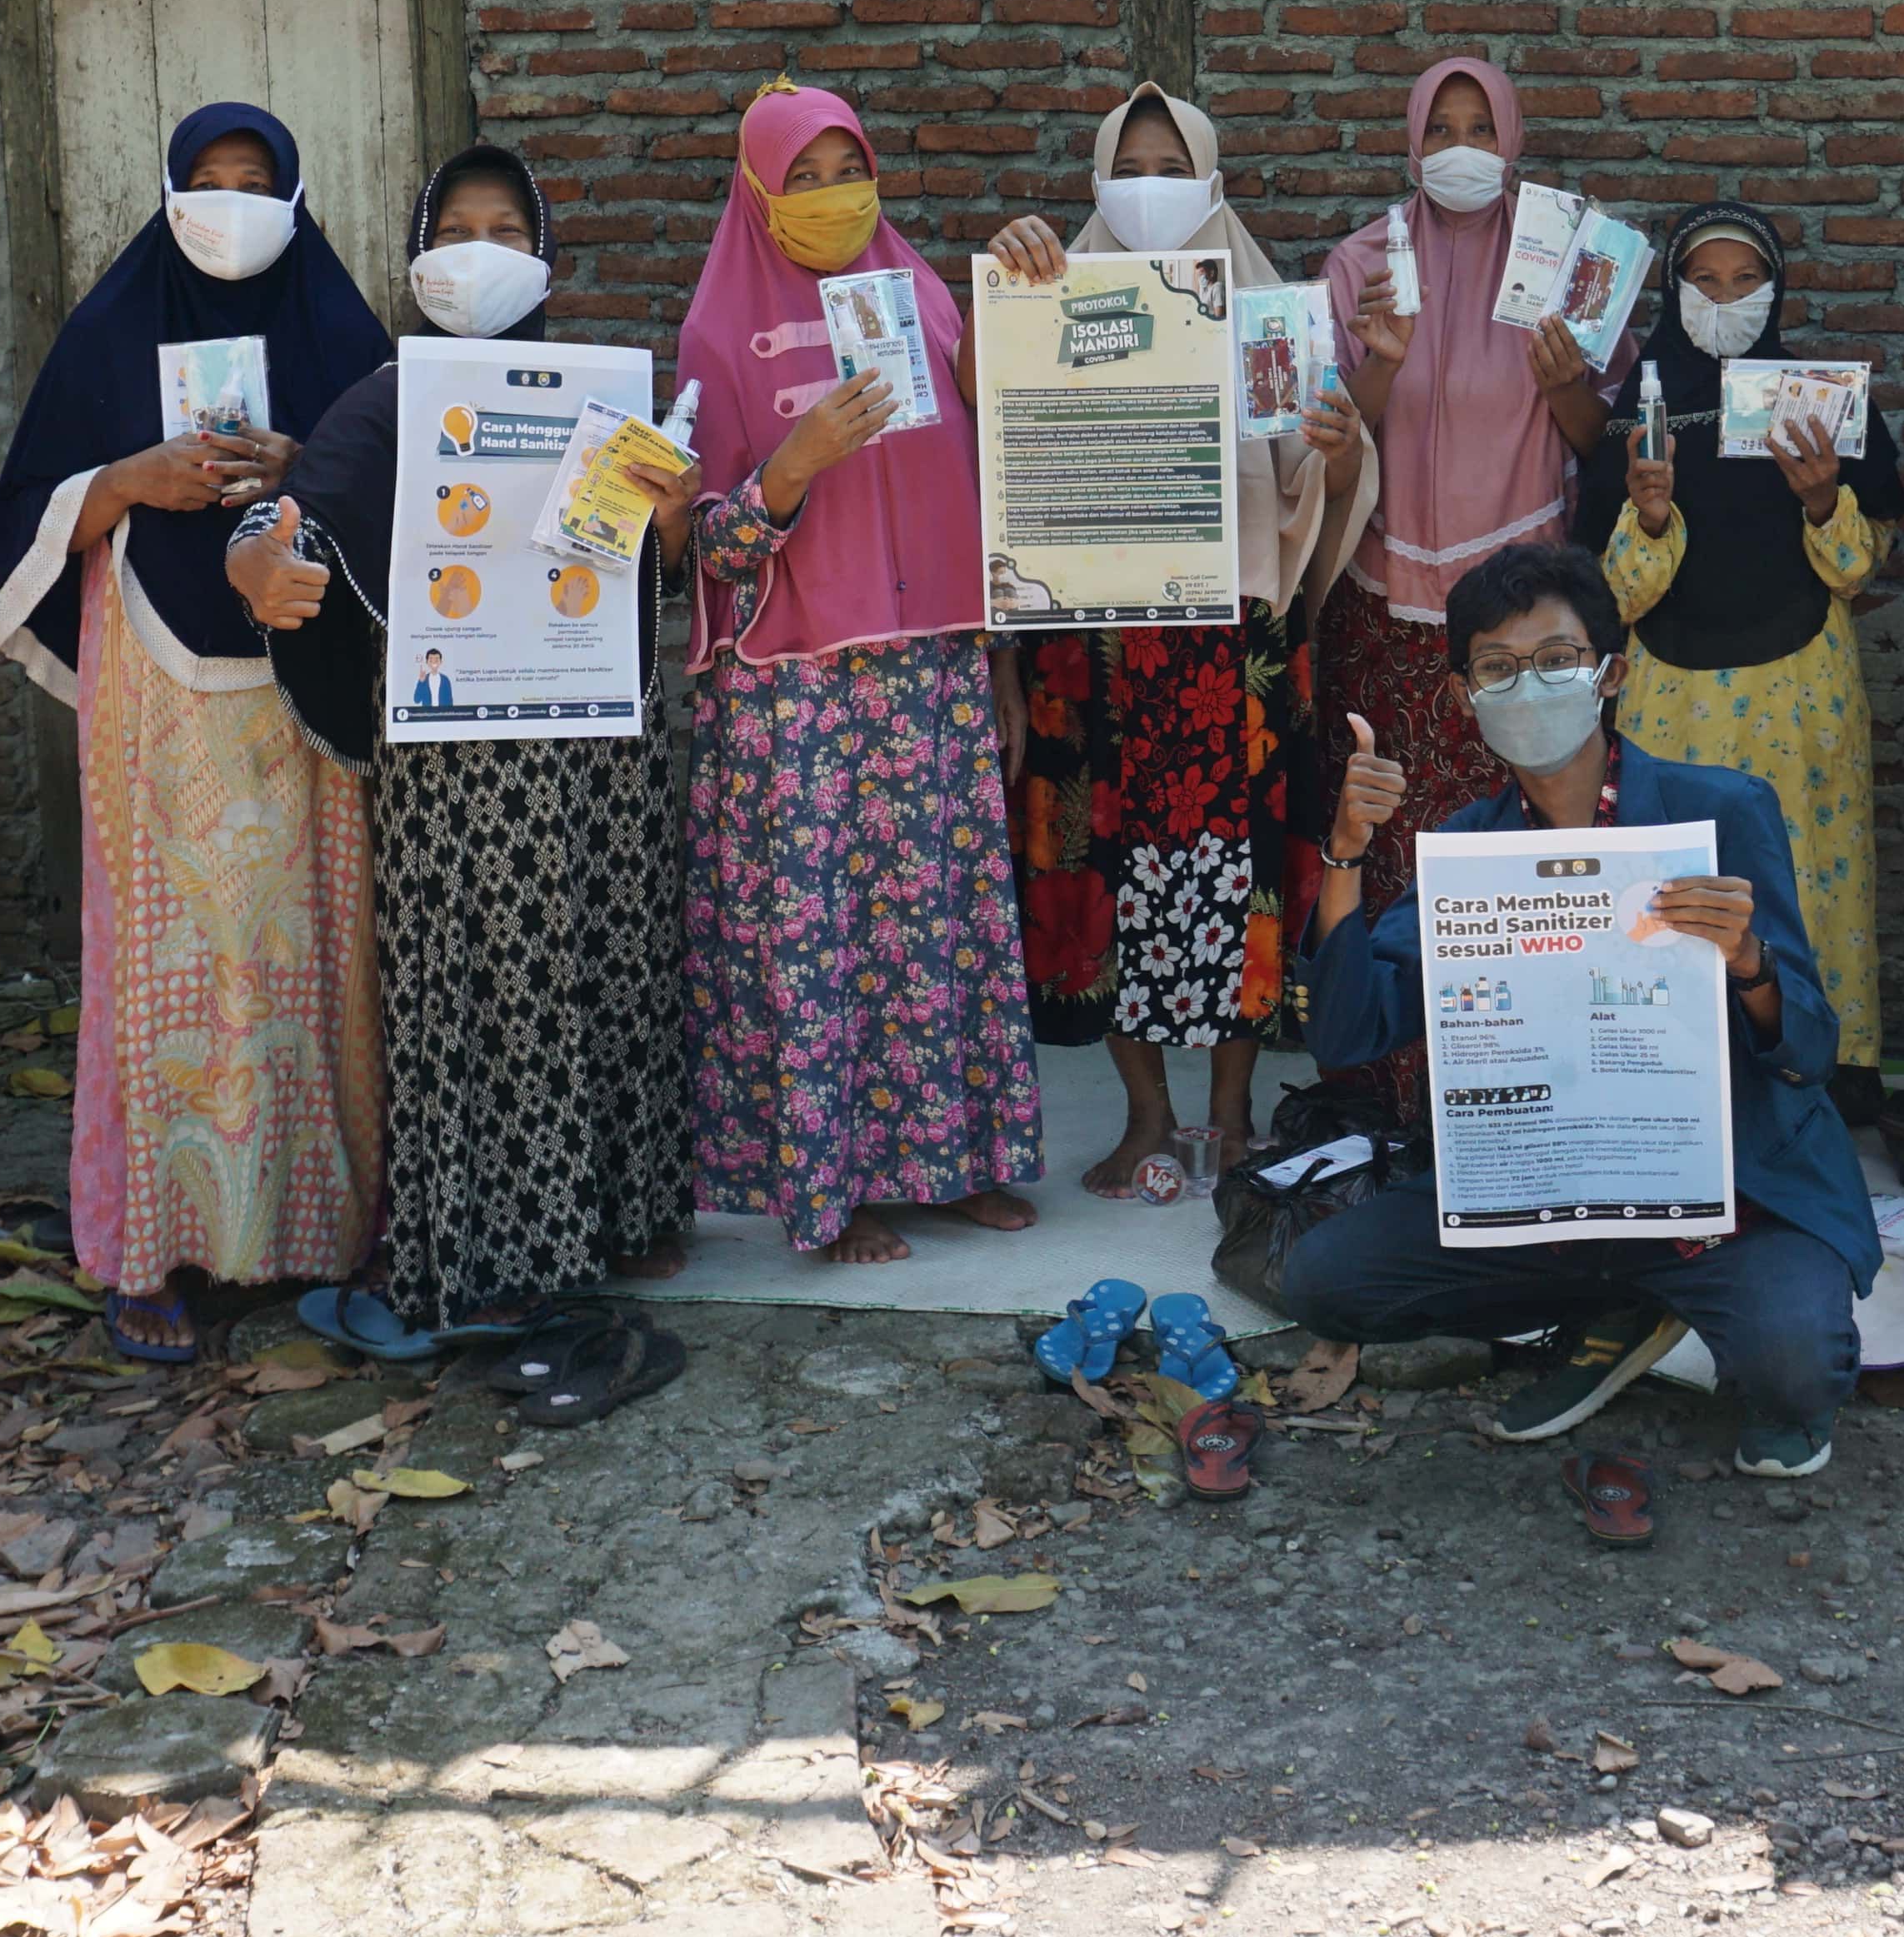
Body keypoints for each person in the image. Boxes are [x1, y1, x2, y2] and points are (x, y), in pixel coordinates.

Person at [227, 147, 699, 1376]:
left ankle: (622, 1213)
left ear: (544, 257)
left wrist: (675, 515)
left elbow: (657, 565)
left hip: (595, 752)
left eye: (506, 228)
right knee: (474, 988)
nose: (479, 251)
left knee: (611, 953)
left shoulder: (596, 399)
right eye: (457, 226)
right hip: (456, 765)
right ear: (420, 253)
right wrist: (259, 568)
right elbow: (290, 520)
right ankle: (486, 1242)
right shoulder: (389, 399)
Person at [1285, 540, 1869, 1502]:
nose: (1530, 686)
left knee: (1793, 1373)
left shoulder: (1715, 810)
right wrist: (1344, 855)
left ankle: (1671, 1296)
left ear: (1612, 672)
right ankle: (1621, 1306)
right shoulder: (1472, 852)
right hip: (1545, 1196)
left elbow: (1809, 1047)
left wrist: (1748, 961)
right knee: (1325, 1279)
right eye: (1497, 668)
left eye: (1557, 658)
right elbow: (1350, 1034)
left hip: (1726, 1201)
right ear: (1465, 696)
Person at [0, 102, 393, 1363]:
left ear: (297, 193)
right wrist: (127, 484)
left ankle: (320, 1233)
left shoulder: (340, 330)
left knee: (310, 958)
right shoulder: (111, 329)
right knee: (160, 963)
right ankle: (151, 1249)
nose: (230, 203)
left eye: (255, 180)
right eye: (207, 180)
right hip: (157, 698)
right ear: (170, 193)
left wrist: (306, 461)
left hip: (300, 688)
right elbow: (27, 509)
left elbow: (409, 487)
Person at [677, 82, 1043, 1265]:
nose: (836, 195)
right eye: (808, 176)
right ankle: (837, 1192)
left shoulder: (926, 296)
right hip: (796, 694)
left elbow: (984, 475)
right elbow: (707, 548)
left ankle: (964, 1161)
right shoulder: (716, 334)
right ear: (759, 194)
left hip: (930, 673)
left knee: (944, 923)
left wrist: (996, 662)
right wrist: (794, 465)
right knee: (824, 942)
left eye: (851, 168)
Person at [1000, 85, 1377, 1197]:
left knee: (1238, 883)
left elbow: (1320, 485)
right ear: (1098, 180)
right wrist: (1013, 300)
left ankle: (1231, 1118)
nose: (1152, 186)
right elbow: (1000, 457)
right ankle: (1147, 1120)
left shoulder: (1265, 315)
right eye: (1134, 162)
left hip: (1232, 652)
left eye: (1175, 164)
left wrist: (1346, 445)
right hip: (1093, 652)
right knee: (1107, 878)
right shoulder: (1045, 296)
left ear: (1212, 181)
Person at [1577, 203, 1904, 1102]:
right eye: (1705, 281)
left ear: (1777, 289)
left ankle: (1819, 1079)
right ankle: (1673, 1085)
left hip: (1801, 694)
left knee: (1807, 887)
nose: (1725, 299)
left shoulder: (1818, 398)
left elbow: (1856, 567)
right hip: (1670, 702)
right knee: (1674, 894)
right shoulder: (1635, 412)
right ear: (1676, 290)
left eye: (1746, 280)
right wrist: (1648, 516)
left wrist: (1820, 501)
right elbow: (1615, 596)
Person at [1314, 59, 1619, 886]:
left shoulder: (1565, 259)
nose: (1461, 148)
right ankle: (1405, 1009)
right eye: (1440, 130)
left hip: (1525, 609)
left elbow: (1605, 440)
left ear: (1510, 139)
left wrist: (1560, 382)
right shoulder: (1364, 265)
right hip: (1389, 607)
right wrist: (1380, 362)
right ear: (1412, 145)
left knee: (1522, 832)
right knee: (1398, 839)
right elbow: (1326, 443)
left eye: (1479, 129)